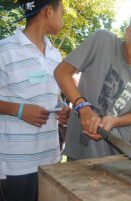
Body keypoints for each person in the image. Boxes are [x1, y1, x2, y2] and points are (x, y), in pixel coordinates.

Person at [54, 6, 131, 160]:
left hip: (115, 156)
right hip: (80, 151)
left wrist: (115, 121)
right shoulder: (103, 41)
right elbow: (61, 72)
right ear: (129, 32)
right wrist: (83, 108)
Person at [0, 1, 68, 201]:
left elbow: (52, 96)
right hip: (15, 166)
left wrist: (62, 108)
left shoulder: (55, 55)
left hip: (50, 161)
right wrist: (19, 110)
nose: (62, 21)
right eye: (61, 14)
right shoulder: (5, 50)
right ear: (48, 12)